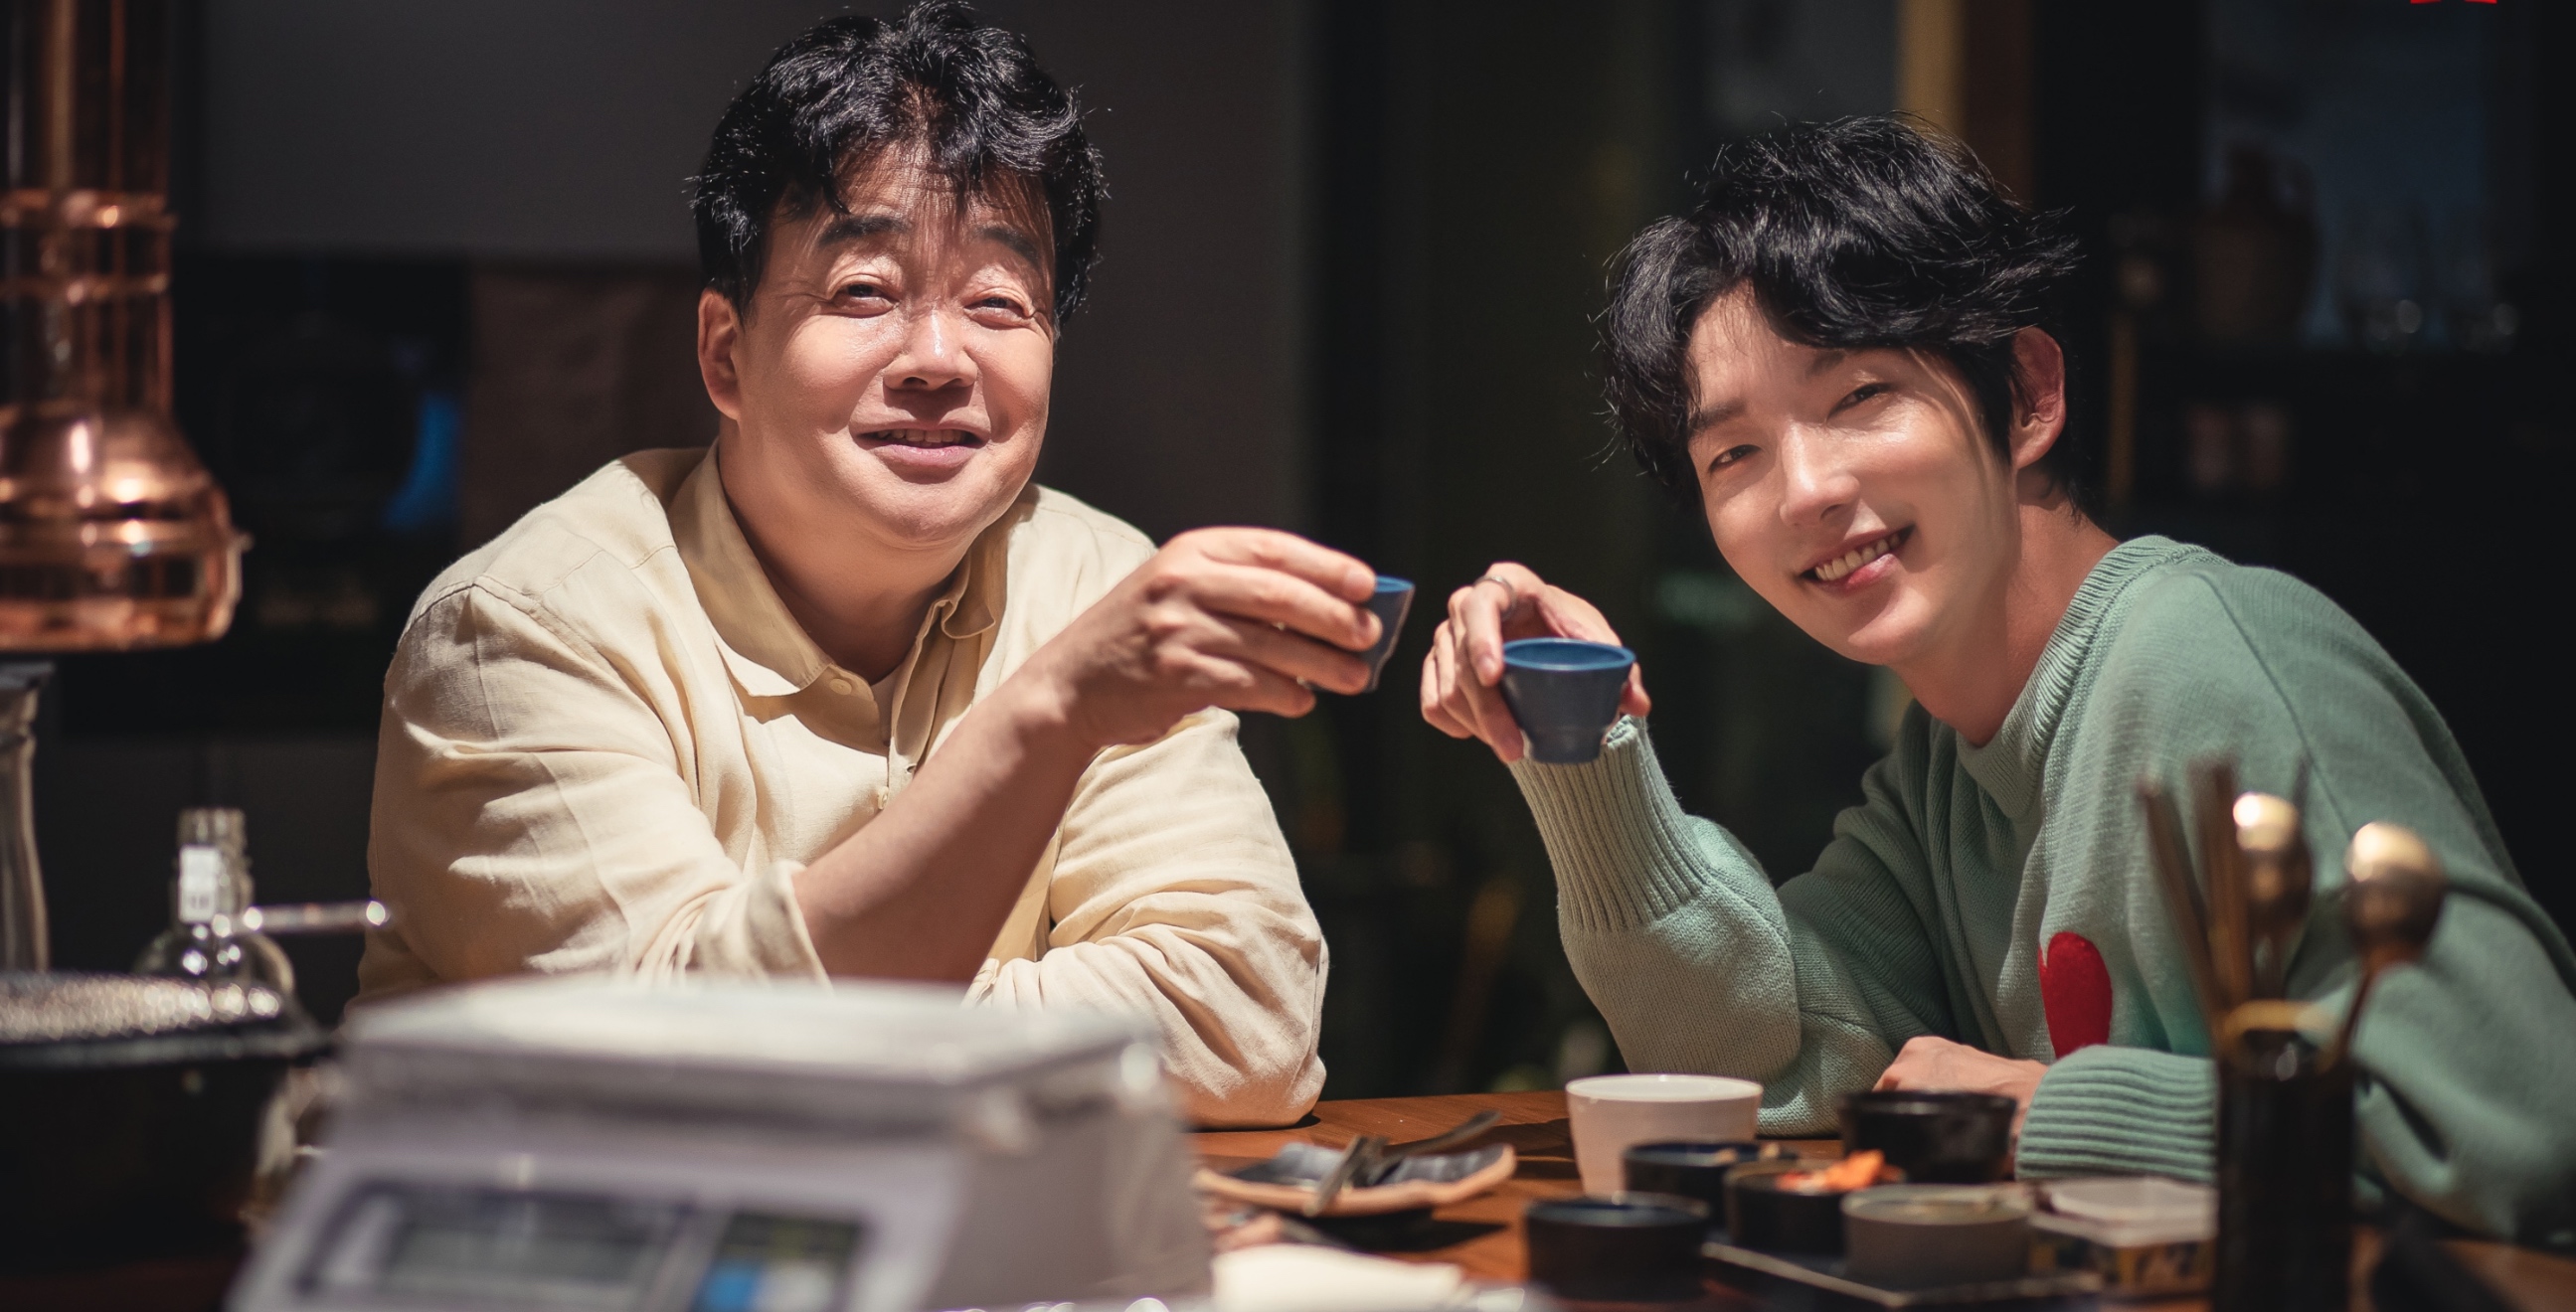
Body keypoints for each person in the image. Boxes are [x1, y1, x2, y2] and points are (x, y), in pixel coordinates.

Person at [1421, 117, 2576, 1245]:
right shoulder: (1943, 766)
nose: (1805, 490)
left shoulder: (2210, 663)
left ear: (2023, 393)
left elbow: (2517, 1128)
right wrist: (1575, 740)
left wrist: (2050, 1109)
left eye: (1858, 395)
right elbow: (1761, 1056)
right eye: (1734, 454)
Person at [359, 2, 1376, 1126]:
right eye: (864, 294)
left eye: (996, 303)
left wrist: (822, 1021)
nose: (939, 360)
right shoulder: (521, 626)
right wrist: (1053, 713)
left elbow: (1246, 1028)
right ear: (724, 353)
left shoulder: (1091, 579)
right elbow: (663, 1068)